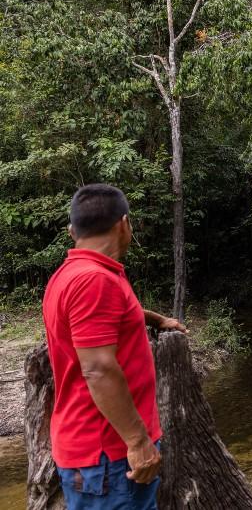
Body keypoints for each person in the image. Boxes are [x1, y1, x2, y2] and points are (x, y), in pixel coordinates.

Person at [42, 184, 187, 509]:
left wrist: (156, 318)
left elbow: (112, 318)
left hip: (98, 452)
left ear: (72, 231)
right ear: (124, 224)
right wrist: (138, 442)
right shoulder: (95, 281)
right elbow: (98, 369)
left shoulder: (72, 275)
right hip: (109, 453)